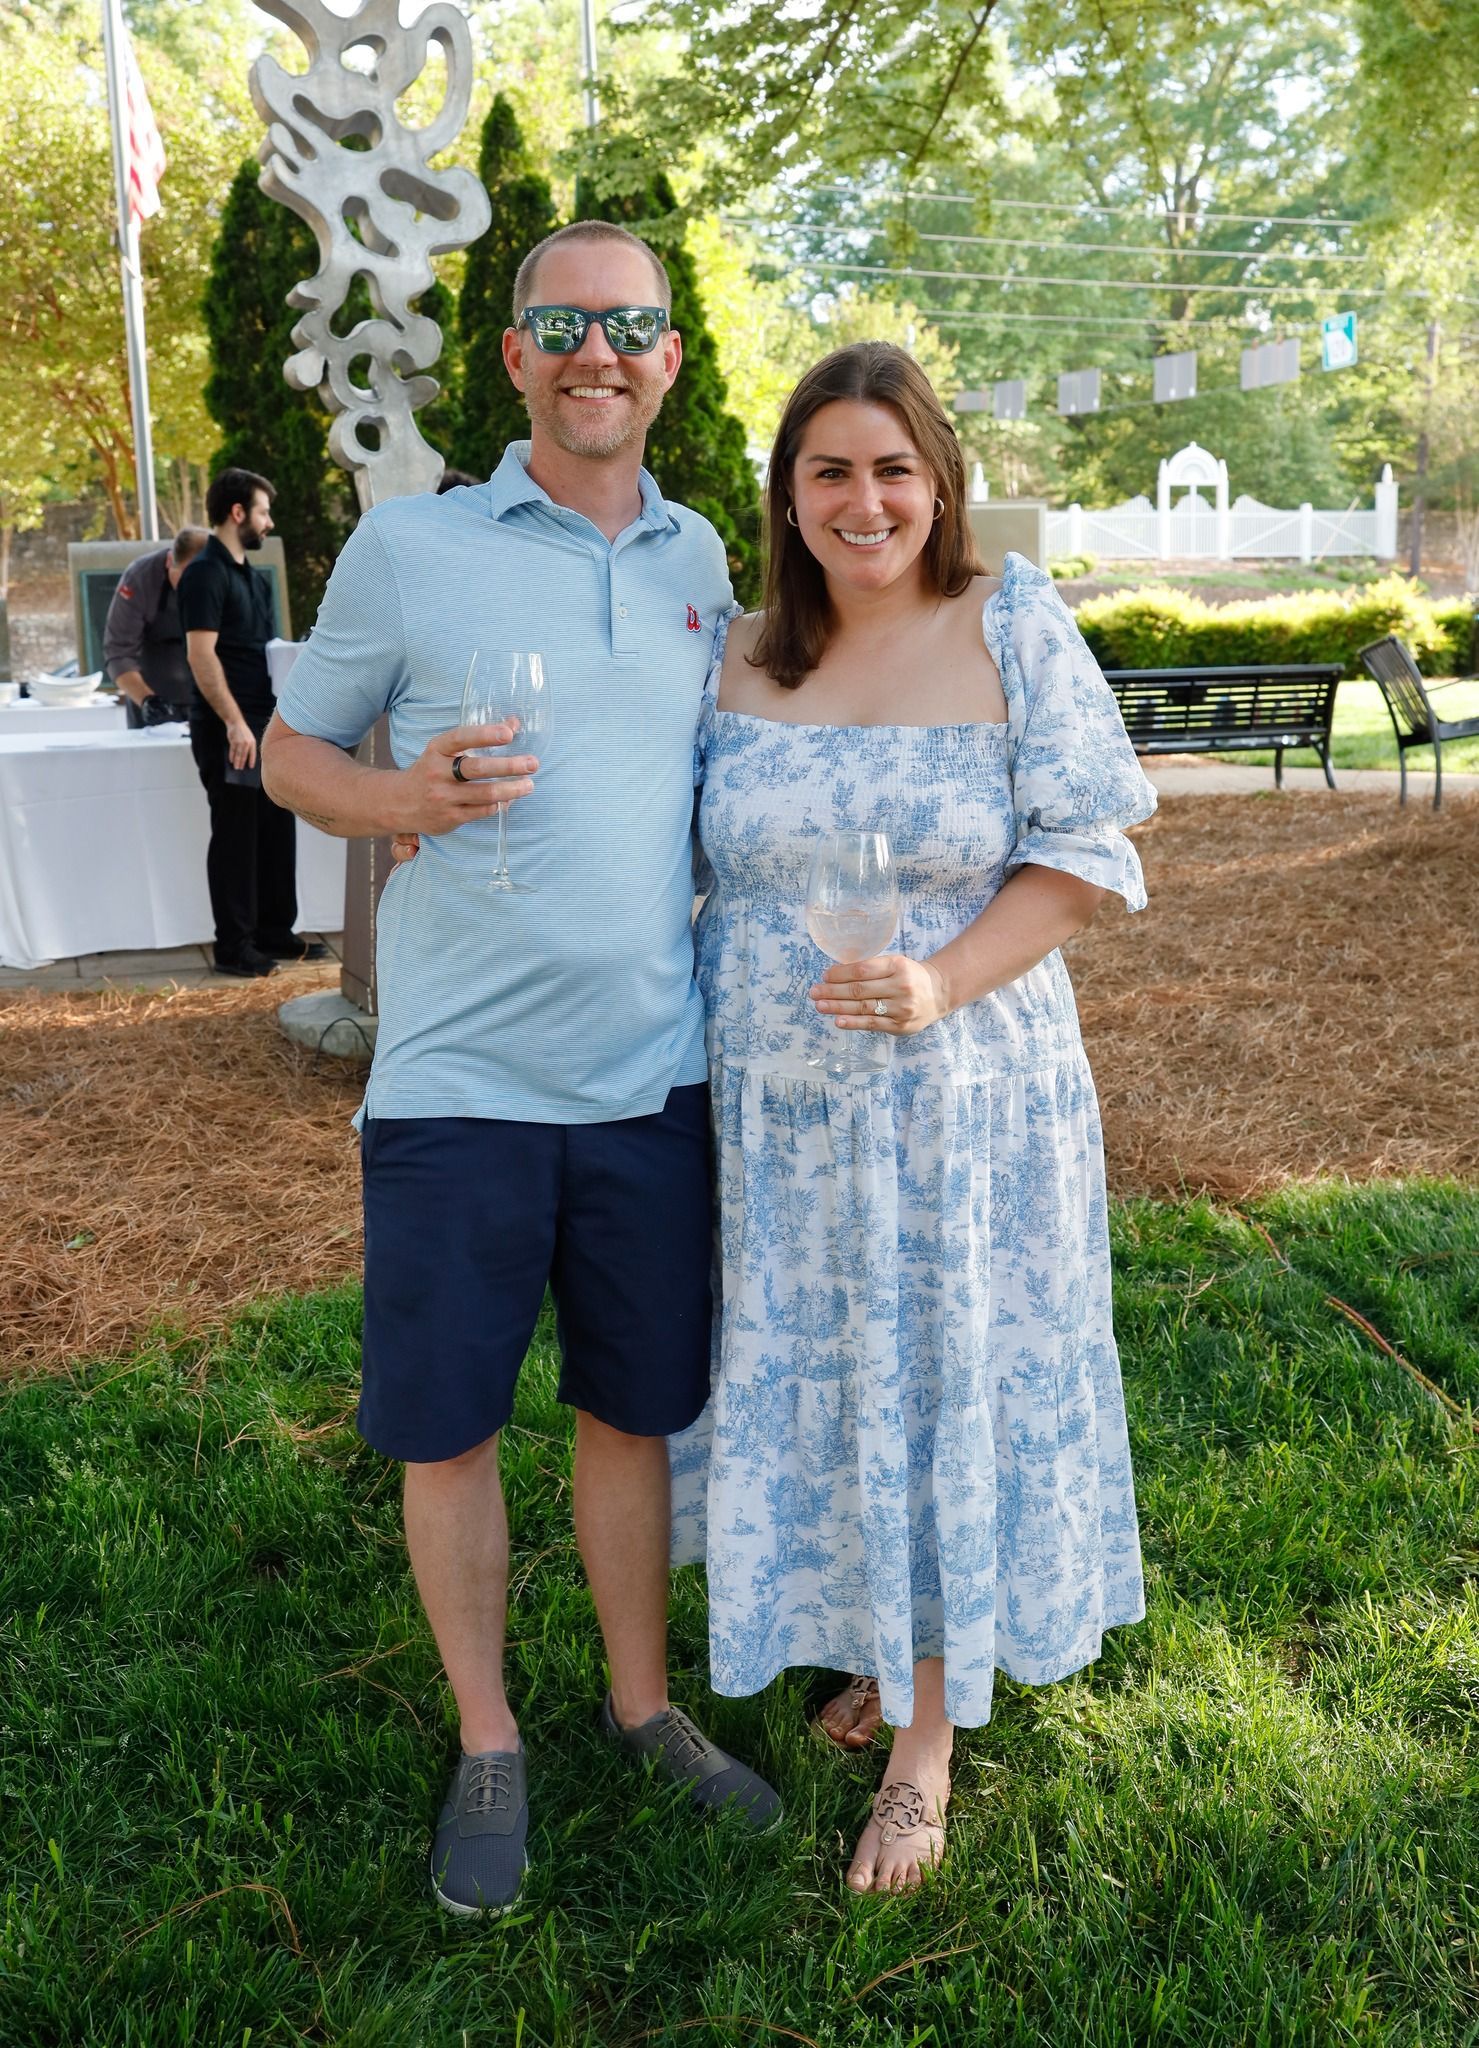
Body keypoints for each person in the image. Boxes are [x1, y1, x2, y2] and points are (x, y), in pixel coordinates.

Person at [260, 221, 780, 1919]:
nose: (595, 352)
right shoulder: (410, 547)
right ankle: (489, 1733)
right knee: (449, 1425)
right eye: (561, 322)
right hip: (454, 1088)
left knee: (631, 1409)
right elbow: (288, 749)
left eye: (627, 326)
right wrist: (400, 804)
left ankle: (638, 1704)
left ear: (668, 360)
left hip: (651, 1079)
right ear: (512, 356)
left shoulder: (705, 552)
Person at [667, 342, 1157, 1894]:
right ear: (788, 496)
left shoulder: (1004, 622)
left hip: (961, 1104)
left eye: (891, 468)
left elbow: (1085, 854)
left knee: (938, 1382)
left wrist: (939, 982)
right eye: (829, 471)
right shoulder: (742, 653)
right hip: (774, 1116)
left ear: (935, 482)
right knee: (824, 1376)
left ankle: (924, 1744)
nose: (863, 499)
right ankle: (885, 1639)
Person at [179, 468, 325, 976]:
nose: (269, 521)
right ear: (237, 513)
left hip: (263, 722)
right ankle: (233, 946)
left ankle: (272, 931)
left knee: (274, 823)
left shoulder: (249, 576)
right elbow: (202, 656)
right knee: (237, 833)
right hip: (229, 727)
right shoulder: (204, 574)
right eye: (263, 511)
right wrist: (236, 725)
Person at [103, 526, 209, 726]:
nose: (192, 587)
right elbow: (118, 651)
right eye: (185, 577)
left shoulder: (226, 579)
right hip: (150, 696)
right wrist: (147, 701)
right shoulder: (139, 578)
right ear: (170, 561)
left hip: (209, 701)